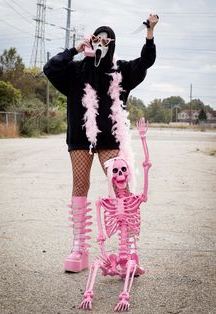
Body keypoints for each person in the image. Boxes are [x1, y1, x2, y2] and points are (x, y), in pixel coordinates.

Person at [43, 14, 159, 273]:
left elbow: (146, 61)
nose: (101, 43)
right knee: (80, 185)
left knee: (121, 190)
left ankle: (128, 250)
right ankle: (79, 248)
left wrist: (149, 33)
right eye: (97, 38)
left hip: (109, 138)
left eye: (106, 40)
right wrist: (76, 47)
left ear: (113, 45)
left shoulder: (121, 71)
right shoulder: (74, 70)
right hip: (80, 137)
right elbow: (50, 68)